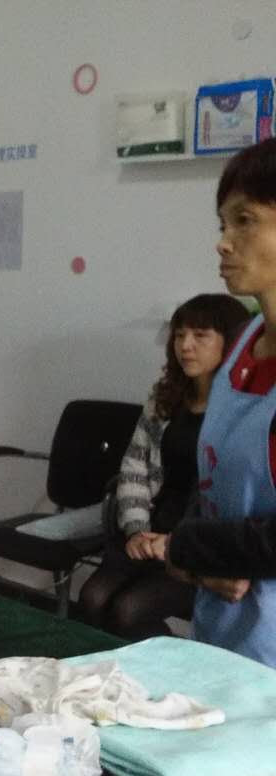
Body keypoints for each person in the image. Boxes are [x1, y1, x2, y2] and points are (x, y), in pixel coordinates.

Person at [163, 137, 276, 668]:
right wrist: (192, 560)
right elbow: (213, 478)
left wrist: (187, 546)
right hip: (221, 637)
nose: (223, 243)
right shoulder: (241, 344)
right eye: (222, 224)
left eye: (245, 220)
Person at [79, 295, 250, 638]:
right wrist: (136, 530)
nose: (185, 346)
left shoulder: (242, 409)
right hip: (148, 528)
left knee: (128, 611)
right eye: (179, 335)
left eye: (200, 336)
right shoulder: (164, 397)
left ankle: (169, 668)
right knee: (92, 598)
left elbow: (230, 495)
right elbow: (134, 467)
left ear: (230, 342)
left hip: (195, 543)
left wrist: (174, 542)